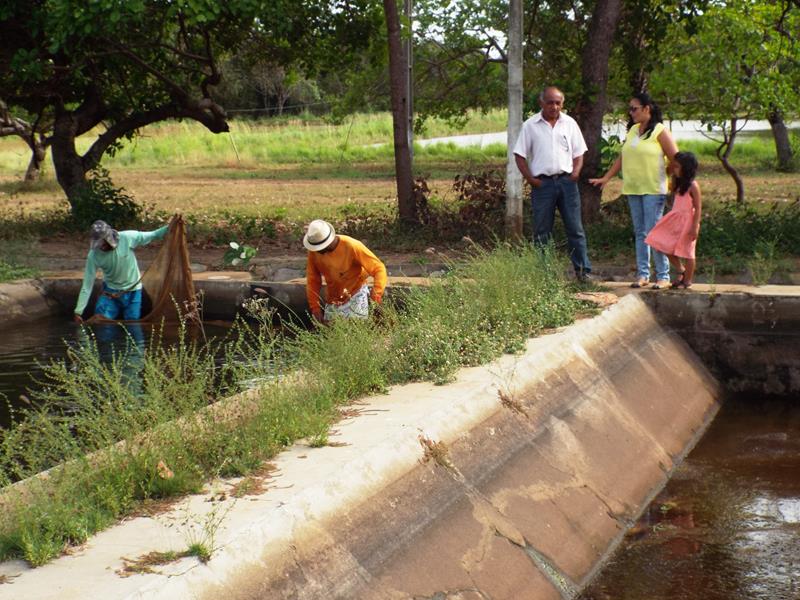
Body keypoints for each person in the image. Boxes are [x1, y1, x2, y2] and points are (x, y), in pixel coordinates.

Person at [589, 92, 678, 288]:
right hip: (633, 189)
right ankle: (643, 274)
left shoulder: (660, 131)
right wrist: (606, 178)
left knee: (654, 232)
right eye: (629, 109)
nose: (631, 113)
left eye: (634, 109)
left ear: (647, 109)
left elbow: (676, 159)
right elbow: (623, 157)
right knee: (640, 233)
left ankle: (663, 276)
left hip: (654, 189)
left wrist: (667, 176)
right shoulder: (633, 130)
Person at [513, 85, 595, 281]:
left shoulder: (569, 123)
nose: (554, 107)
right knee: (542, 231)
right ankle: (544, 274)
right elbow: (519, 155)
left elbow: (579, 153)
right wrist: (531, 180)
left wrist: (575, 173)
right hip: (543, 185)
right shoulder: (530, 125)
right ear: (542, 103)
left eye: (558, 103)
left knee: (575, 228)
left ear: (562, 104)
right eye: (550, 102)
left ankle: (583, 272)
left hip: (567, 183)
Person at [74, 219, 171, 322]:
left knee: (132, 325)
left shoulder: (127, 238)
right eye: (99, 245)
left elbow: (153, 234)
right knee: (102, 323)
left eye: (103, 243)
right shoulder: (93, 255)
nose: (101, 247)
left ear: (109, 238)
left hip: (133, 290)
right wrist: (78, 311)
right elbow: (87, 285)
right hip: (110, 293)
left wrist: (169, 227)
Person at [304, 219, 387, 323]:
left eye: (320, 248)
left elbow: (378, 268)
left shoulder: (351, 245)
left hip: (356, 293)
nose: (318, 251)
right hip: (333, 299)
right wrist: (315, 308)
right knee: (331, 333)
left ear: (328, 241)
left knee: (356, 330)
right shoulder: (314, 252)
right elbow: (313, 281)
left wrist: (376, 295)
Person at [645, 152, 701, 289]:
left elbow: (698, 208)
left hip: (688, 221)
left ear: (686, 168)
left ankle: (687, 281)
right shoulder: (677, 183)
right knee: (659, 241)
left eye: (677, 167)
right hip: (675, 219)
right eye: (673, 166)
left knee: (688, 252)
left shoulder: (693, 185)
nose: (674, 169)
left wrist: (694, 226)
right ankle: (681, 270)